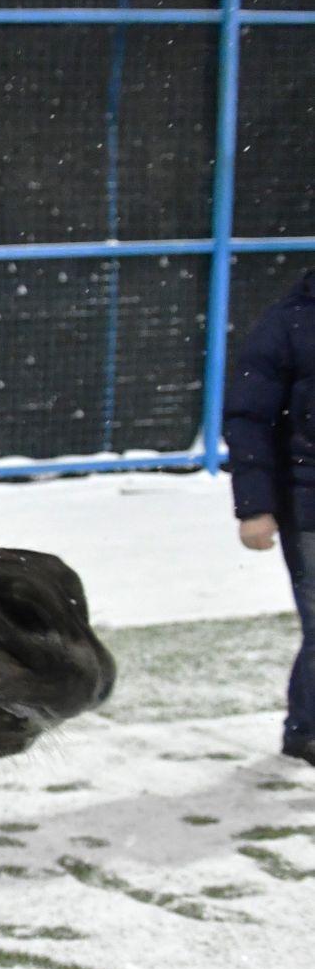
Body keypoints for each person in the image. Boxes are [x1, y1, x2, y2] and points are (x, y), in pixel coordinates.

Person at [225, 268, 315, 766]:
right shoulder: (288, 324)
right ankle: (306, 730)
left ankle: (305, 728)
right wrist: (255, 507)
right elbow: (249, 418)